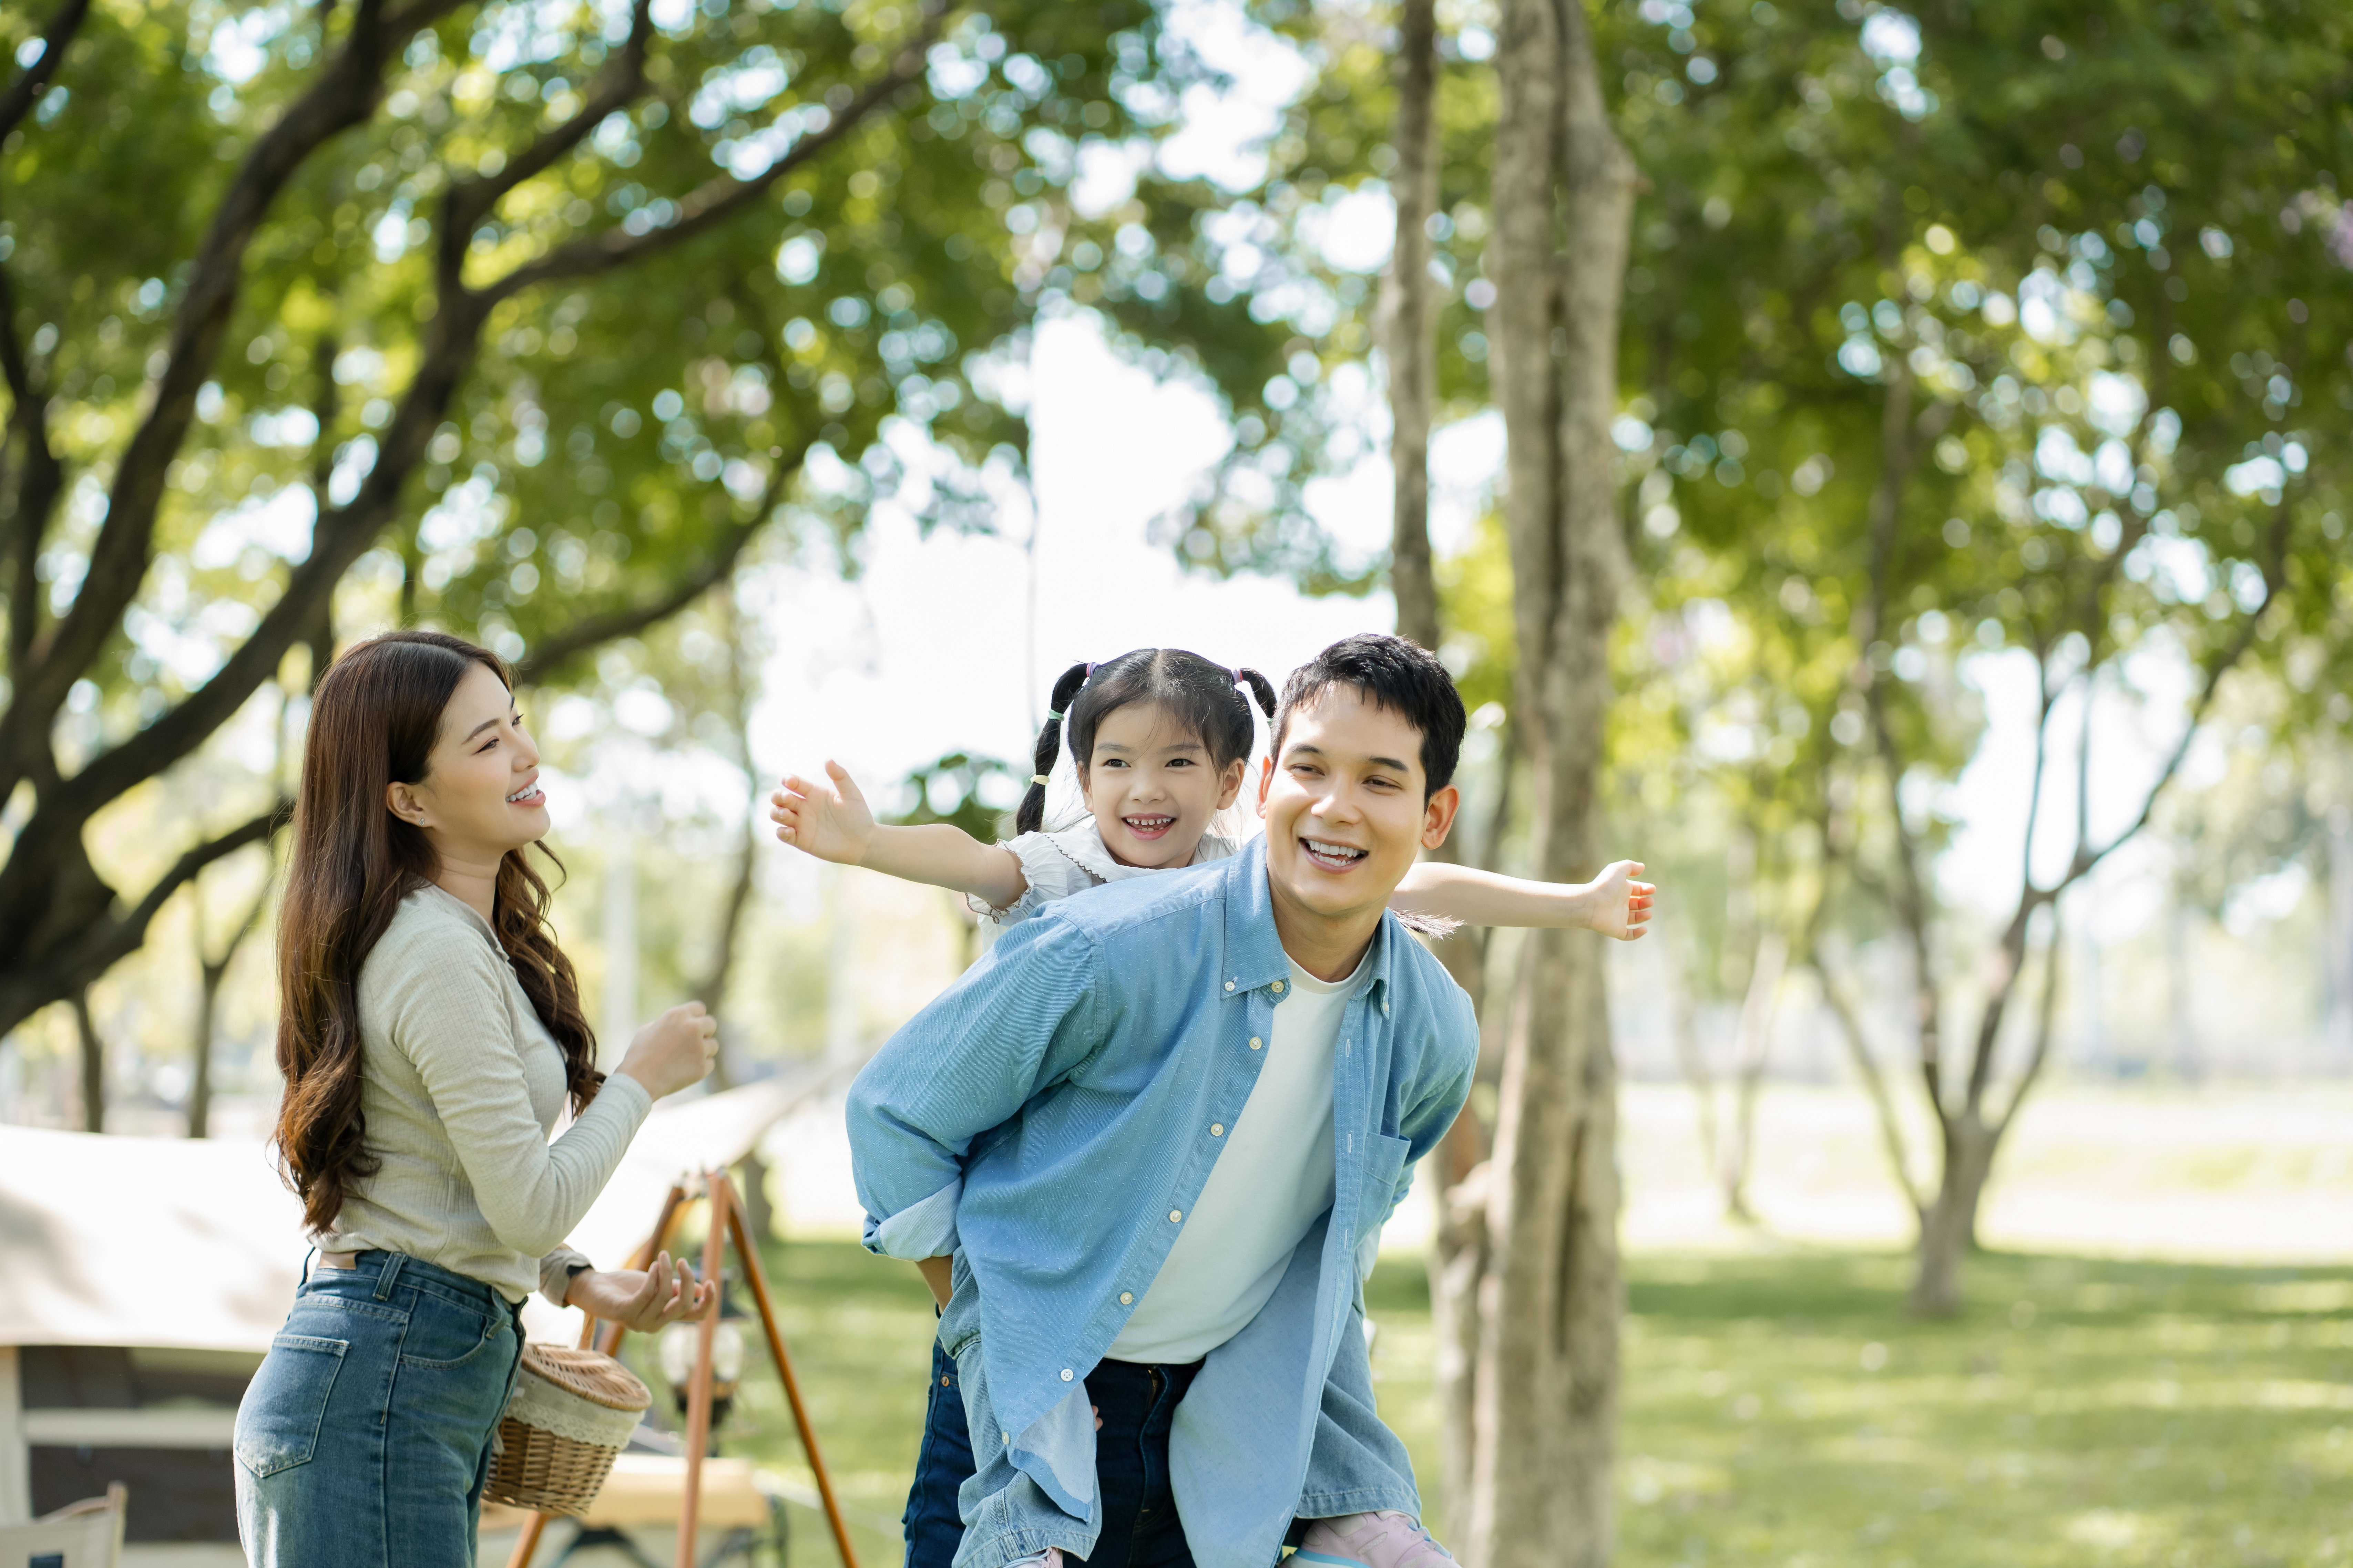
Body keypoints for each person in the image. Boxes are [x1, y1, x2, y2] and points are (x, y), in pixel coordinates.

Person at [771, 644, 1653, 1565]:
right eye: (1310, 769)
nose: (1337, 806)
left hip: (1226, 1436)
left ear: (1434, 815)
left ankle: (1355, 1502)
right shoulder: (1103, 947)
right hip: (1032, 1406)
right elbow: (895, 1112)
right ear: (1268, 781)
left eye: (1380, 781)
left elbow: (1337, 1244)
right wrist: (990, 1324)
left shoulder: (1430, 1032)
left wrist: (1576, 905)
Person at [236, 631, 721, 1568]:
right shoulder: (435, 951)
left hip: (398, 1378)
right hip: (380, 1389)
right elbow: (525, 1198)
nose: (526, 754)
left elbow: (443, 1173)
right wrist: (640, 1081)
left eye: (518, 726)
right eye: (487, 742)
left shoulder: (462, 938)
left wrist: (573, 1278)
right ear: (408, 799)